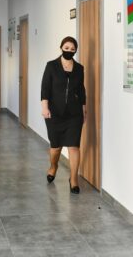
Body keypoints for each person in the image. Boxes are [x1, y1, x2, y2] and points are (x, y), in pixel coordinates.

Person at [41, 36, 87, 194]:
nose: (69, 51)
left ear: (75, 51)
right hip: (54, 113)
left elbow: (81, 91)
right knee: (56, 146)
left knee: (74, 146)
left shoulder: (79, 68)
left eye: (72, 49)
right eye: (66, 48)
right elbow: (45, 88)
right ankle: (53, 166)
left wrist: (84, 110)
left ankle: (73, 179)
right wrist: (44, 107)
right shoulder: (51, 66)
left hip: (74, 114)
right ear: (61, 48)